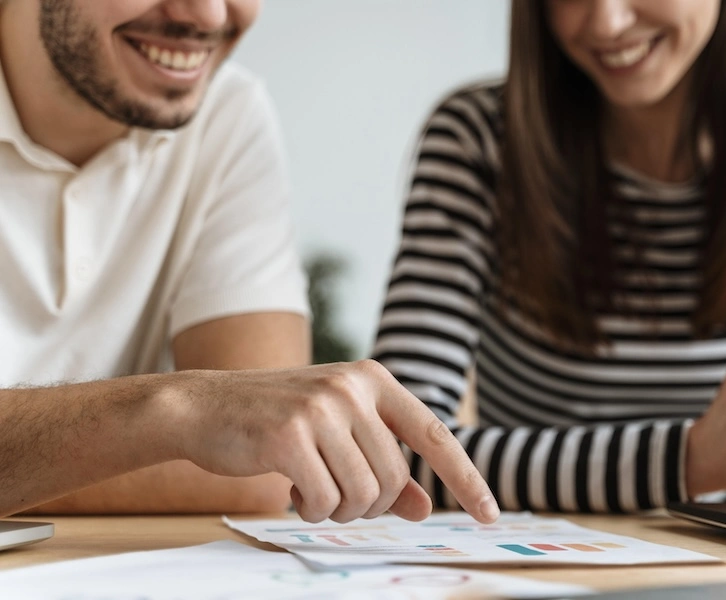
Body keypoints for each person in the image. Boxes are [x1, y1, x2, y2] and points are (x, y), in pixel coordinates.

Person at [372, 0, 726, 513]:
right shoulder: (478, 141)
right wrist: (689, 459)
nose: (607, 21)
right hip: (529, 557)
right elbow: (395, 447)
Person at [0, 0, 500, 525]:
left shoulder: (224, 112)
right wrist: (176, 411)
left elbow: (265, 463)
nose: (211, 16)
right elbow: (247, 441)